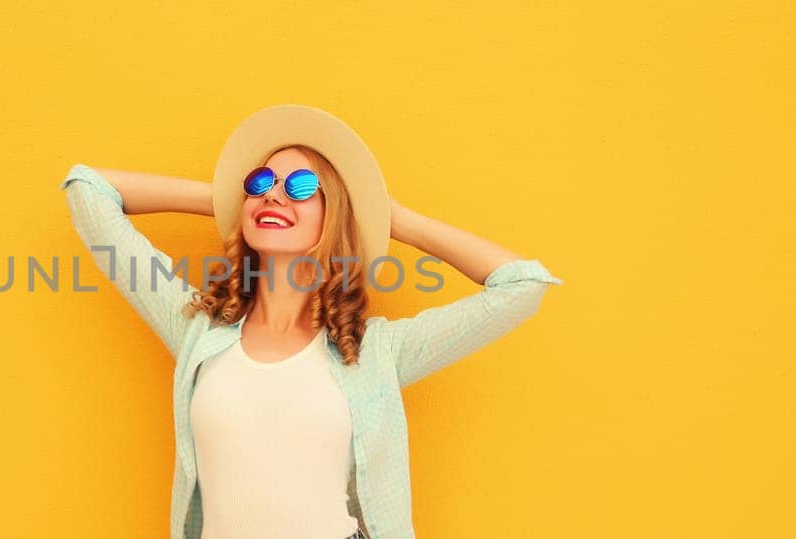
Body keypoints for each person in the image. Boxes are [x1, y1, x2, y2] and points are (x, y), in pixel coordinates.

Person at [59, 104, 563, 539]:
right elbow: (88, 190)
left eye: (300, 186)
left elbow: (522, 285)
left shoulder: (374, 352)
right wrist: (225, 199)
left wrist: (393, 219)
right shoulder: (196, 328)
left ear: (335, 216)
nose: (274, 195)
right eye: (260, 183)